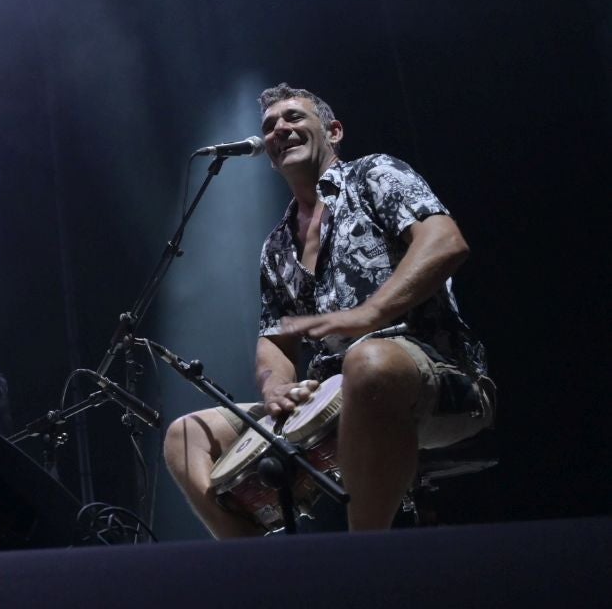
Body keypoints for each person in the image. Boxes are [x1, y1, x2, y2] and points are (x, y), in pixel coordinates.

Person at [163, 84, 494, 535]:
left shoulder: (375, 174)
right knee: (185, 437)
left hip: (435, 377)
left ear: (333, 131)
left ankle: (364, 557)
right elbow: (275, 338)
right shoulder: (276, 246)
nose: (280, 129)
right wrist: (276, 387)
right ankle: (259, 569)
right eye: (270, 126)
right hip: (329, 398)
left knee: (368, 362)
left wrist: (370, 314)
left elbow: (445, 242)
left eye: (294, 117)